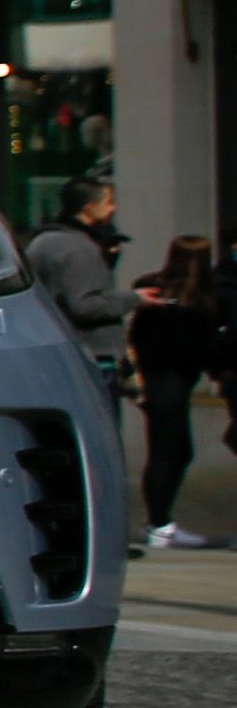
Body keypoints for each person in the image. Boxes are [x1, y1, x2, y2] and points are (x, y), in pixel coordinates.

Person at [135, 231, 218, 551]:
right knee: (170, 453)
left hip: (158, 379)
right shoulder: (196, 301)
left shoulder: (155, 289)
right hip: (170, 381)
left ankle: (159, 521)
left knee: (171, 452)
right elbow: (195, 348)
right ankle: (159, 524)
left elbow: (140, 336)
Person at [28, 177, 128, 390]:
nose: (114, 208)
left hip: (56, 349)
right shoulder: (80, 248)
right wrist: (136, 298)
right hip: (92, 354)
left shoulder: (42, 241)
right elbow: (84, 305)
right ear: (89, 208)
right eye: (109, 202)